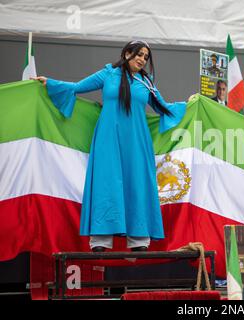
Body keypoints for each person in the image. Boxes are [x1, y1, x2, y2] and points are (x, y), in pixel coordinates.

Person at [32, 40, 186, 252]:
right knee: (106, 181)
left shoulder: (146, 83)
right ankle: (100, 240)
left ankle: (139, 239)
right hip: (108, 137)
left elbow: (164, 109)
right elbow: (77, 88)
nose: (142, 59)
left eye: (145, 57)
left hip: (137, 140)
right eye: (139, 54)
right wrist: (49, 83)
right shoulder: (108, 74)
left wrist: (191, 104)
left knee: (137, 181)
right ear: (126, 54)